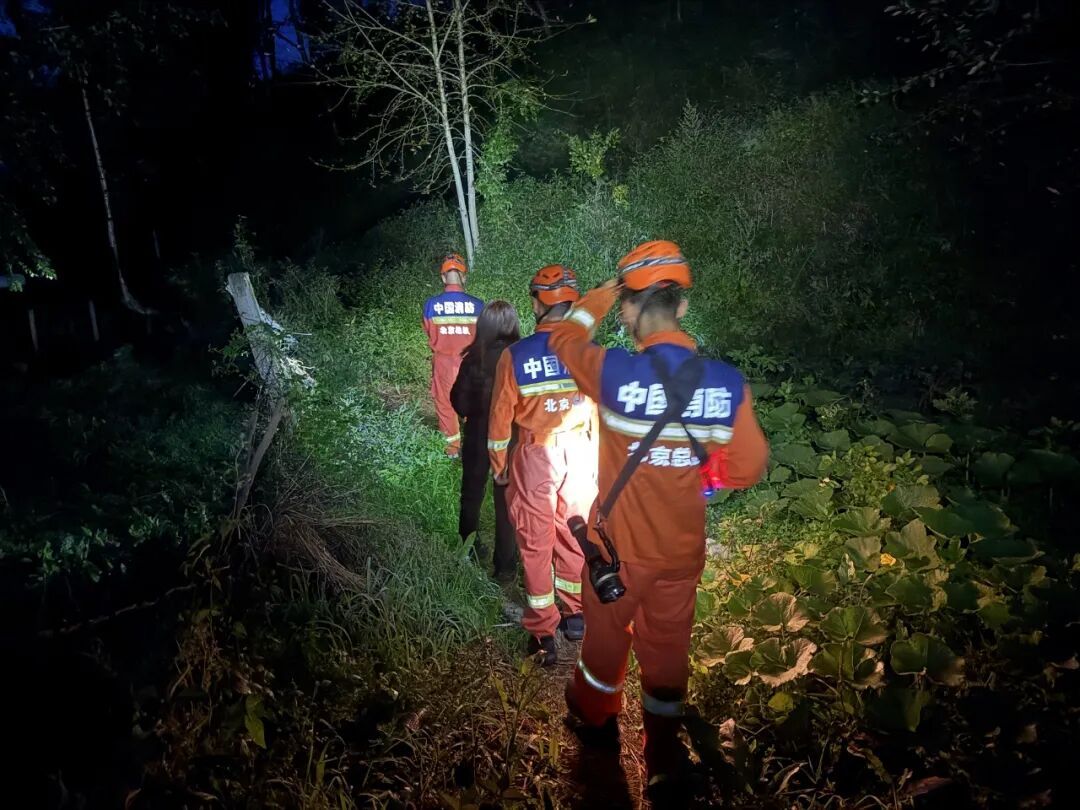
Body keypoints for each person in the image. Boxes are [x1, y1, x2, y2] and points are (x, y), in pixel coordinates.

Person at [547, 240, 769, 795]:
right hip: (681, 554)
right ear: (683, 307)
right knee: (668, 648)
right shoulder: (725, 383)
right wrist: (701, 473)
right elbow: (748, 466)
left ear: (628, 309)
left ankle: (596, 722)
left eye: (621, 303)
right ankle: (663, 754)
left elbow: (563, 339)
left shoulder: (614, 372)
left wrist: (593, 299)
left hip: (617, 554)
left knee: (604, 643)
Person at [488, 265, 598, 666]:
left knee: (535, 543)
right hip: (581, 453)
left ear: (536, 303)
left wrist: (499, 465)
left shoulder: (514, 356)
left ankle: (541, 634)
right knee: (575, 532)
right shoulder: (588, 352)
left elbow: (500, 420)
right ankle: (575, 613)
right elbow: (599, 412)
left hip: (536, 456)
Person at [450, 300, 521, 582]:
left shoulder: (473, 359)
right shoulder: (519, 356)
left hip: (478, 434)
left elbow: (459, 402)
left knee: (471, 495)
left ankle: (467, 549)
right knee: (506, 501)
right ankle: (505, 567)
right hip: (511, 437)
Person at [423, 254, 484, 458]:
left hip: (443, 362)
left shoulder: (431, 305)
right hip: (471, 362)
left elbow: (429, 331)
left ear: (443, 278)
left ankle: (452, 449)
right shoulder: (478, 305)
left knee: (445, 404)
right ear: (464, 277)